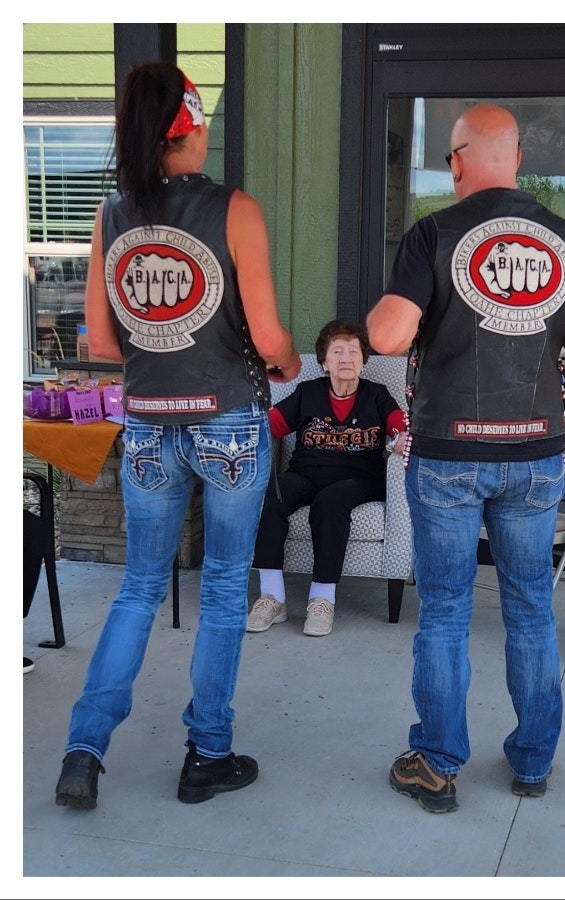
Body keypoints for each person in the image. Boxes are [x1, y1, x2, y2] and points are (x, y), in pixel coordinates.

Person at [366, 102, 565, 813]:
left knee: (446, 612)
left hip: (450, 449)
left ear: (458, 160)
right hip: (536, 451)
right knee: (532, 611)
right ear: (516, 159)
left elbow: (387, 338)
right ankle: (533, 762)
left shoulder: (433, 234)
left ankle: (438, 763)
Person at [54, 62, 302, 810]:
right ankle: (208, 755)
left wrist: (156, 343)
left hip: (148, 424)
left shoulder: (111, 214)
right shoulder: (237, 210)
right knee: (225, 589)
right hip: (229, 418)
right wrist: (289, 360)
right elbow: (266, 339)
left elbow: (99, 338)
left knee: (137, 589)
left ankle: (83, 751)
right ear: (190, 127)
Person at [246, 319, 405, 637]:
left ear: (363, 360)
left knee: (330, 501)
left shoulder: (377, 395)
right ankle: (272, 597)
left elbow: (398, 424)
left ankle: (322, 599)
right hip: (306, 473)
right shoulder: (307, 393)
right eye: (337, 351)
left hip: (359, 478)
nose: (346, 358)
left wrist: (402, 437)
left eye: (354, 351)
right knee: (271, 496)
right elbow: (270, 427)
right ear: (324, 361)